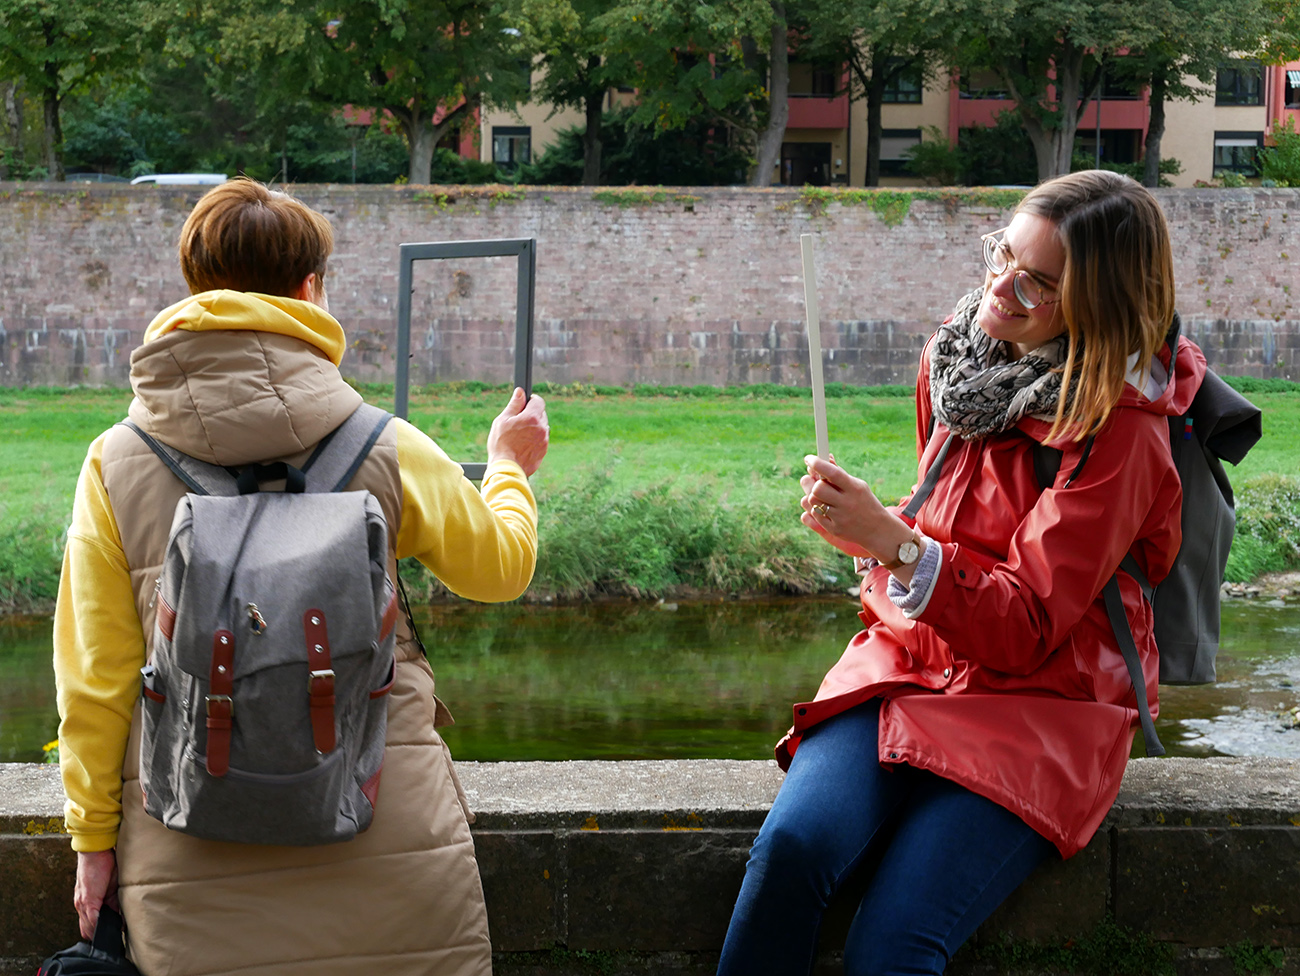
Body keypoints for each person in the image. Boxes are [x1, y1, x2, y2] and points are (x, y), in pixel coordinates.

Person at [54, 178, 548, 976]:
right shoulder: (383, 443)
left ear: (196, 290)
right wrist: (508, 468)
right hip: (386, 839)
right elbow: (501, 568)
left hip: (190, 851)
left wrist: (91, 838)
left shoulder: (115, 462)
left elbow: (94, 679)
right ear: (310, 289)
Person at [718, 170, 1202, 975]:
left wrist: (898, 546)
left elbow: (1029, 625)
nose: (1000, 287)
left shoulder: (1122, 433)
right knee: (788, 855)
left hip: (1042, 707)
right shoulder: (957, 363)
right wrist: (874, 536)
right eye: (1001, 254)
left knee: (891, 947)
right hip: (908, 665)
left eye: (1037, 283)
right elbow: (944, 528)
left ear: (1099, 304)